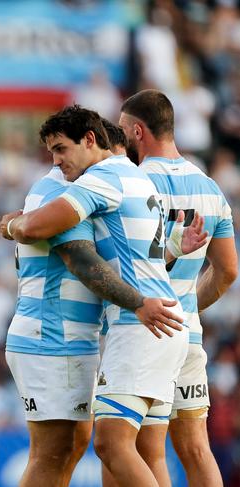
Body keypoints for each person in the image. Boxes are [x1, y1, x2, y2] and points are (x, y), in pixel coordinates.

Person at [1, 105, 190, 487]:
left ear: (91, 140)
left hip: (137, 325)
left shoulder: (99, 179)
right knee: (137, 450)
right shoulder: (136, 177)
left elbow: (49, 236)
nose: (56, 160)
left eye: (61, 149)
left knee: (109, 446)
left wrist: (10, 224)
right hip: (154, 320)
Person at [118, 89, 238, 487]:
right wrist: (187, 306)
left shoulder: (135, 183)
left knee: (142, 450)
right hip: (187, 331)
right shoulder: (210, 187)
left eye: (122, 132)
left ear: (138, 130)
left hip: (145, 331)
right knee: (196, 449)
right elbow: (227, 271)